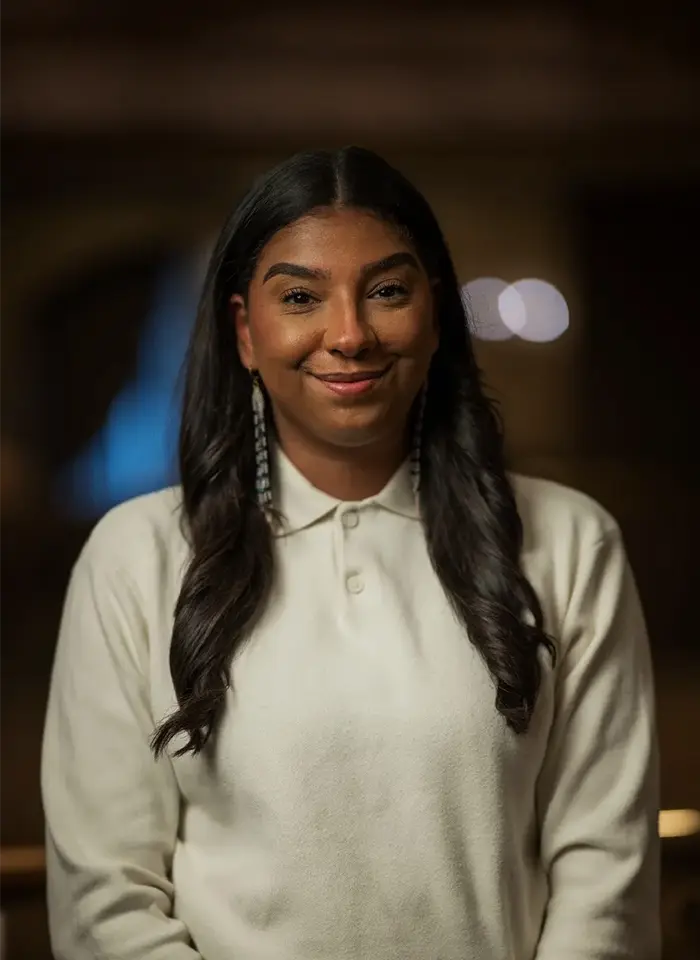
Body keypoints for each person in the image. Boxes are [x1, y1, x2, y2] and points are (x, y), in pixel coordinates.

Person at [41, 146, 660, 960]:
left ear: (434, 316)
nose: (349, 334)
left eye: (388, 292)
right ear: (245, 333)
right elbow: (105, 897)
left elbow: (603, 881)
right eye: (300, 296)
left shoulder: (571, 543)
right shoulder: (137, 557)